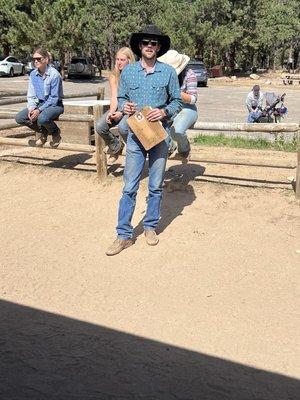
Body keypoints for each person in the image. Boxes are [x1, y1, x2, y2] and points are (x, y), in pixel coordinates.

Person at [105, 24, 182, 256]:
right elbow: (122, 98)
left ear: (158, 48)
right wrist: (125, 106)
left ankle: (149, 227)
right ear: (139, 47)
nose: (149, 46)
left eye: (154, 43)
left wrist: (165, 112)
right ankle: (123, 235)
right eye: (146, 43)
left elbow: (177, 102)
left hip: (159, 137)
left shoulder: (168, 72)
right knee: (129, 186)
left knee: (156, 185)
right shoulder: (128, 72)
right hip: (136, 138)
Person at [15, 47, 64, 147]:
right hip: (39, 104)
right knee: (19, 118)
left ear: (46, 60)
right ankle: (44, 132)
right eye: (34, 59)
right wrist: (32, 108)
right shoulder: (33, 74)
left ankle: (55, 132)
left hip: (55, 105)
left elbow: (54, 98)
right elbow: (31, 95)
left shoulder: (54, 75)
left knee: (42, 118)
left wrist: (39, 110)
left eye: (39, 59)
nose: (36, 61)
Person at [96, 47, 135, 160]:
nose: (119, 62)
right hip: (119, 107)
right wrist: (112, 112)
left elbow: (135, 99)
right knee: (100, 126)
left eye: (122, 60)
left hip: (132, 108)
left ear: (129, 60)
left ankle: (135, 150)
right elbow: (114, 97)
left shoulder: (135, 75)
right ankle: (116, 146)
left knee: (123, 127)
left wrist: (121, 113)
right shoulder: (113, 75)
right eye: (117, 59)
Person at [158, 49, 198, 159]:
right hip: (169, 108)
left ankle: (184, 149)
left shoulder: (189, 74)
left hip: (187, 108)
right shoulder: (162, 75)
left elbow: (193, 99)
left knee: (177, 130)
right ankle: (170, 147)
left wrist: (177, 93)